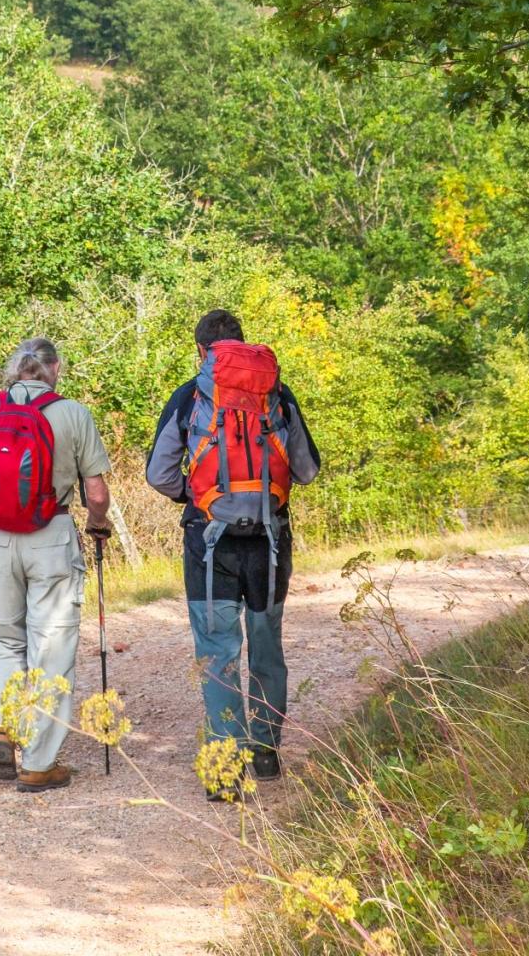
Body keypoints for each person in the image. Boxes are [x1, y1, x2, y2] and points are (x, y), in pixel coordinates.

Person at [146, 308, 320, 784]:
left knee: (217, 650)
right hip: (270, 539)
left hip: (209, 541)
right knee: (265, 643)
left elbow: (158, 473)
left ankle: (224, 768)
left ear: (202, 351)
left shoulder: (189, 397)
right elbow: (307, 470)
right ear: (244, 344)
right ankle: (265, 750)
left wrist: (200, 493)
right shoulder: (277, 395)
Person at [0, 337, 112, 792]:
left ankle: (4, 727)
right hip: (51, 535)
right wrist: (97, 525)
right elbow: (96, 494)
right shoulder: (73, 413)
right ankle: (39, 763)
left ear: (14, 370)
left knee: (5, 638)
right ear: (53, 368)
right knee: (52, 646)